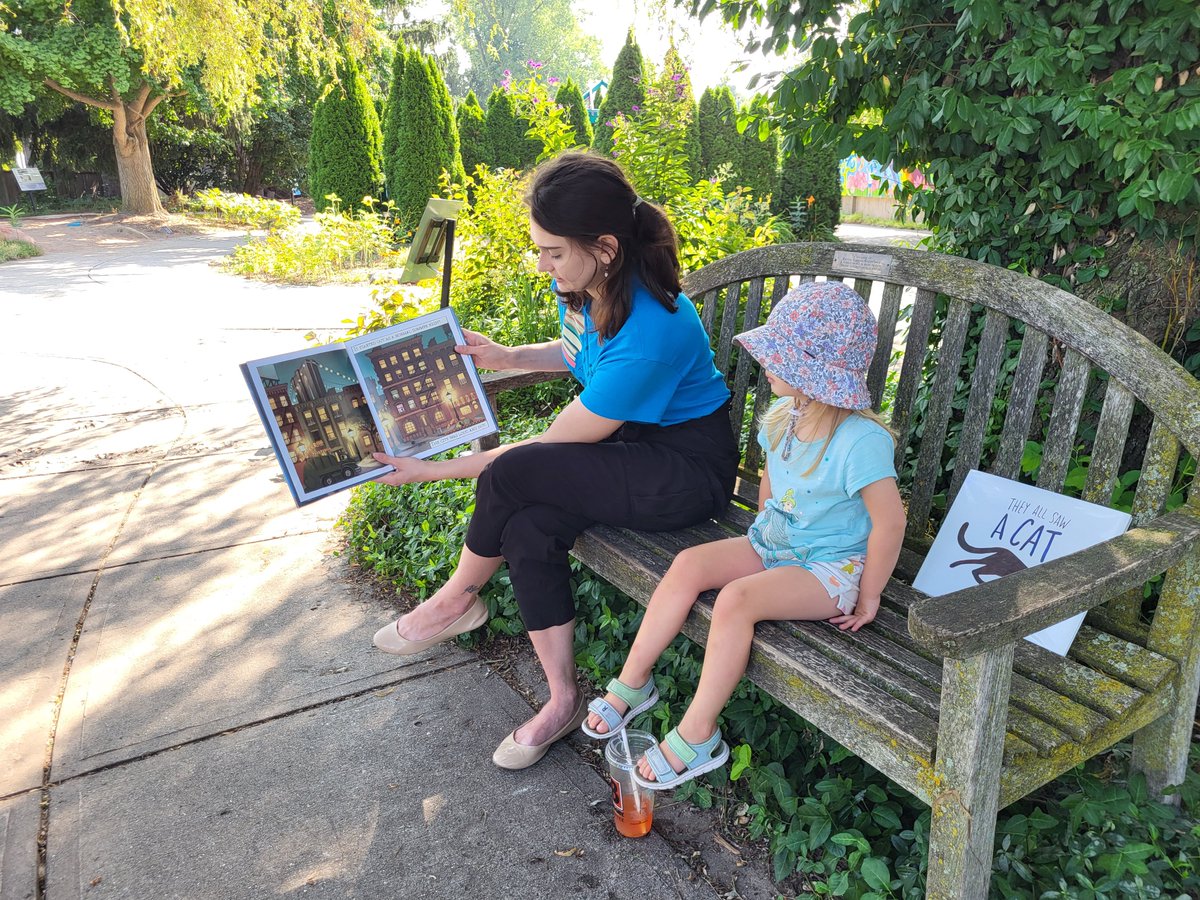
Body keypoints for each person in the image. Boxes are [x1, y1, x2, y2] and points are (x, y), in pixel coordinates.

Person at [369, 151, 739, 770]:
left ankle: (458, 597)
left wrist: (431, 469)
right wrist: (508, 356)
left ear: (606, 246)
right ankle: (562, 699)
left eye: (553, 252)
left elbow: (546, 450)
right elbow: (575, 354)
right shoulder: (584, 282)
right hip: (630, 447)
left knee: (515, 473)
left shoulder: (653, 330)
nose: (541, 264)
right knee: (527, 524)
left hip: (683, 472)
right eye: (538, 249)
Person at [582, 281, 907, 791]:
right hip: (778, 544)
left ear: (810, 373)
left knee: (736, 600)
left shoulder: (859, 440)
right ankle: (633, 682)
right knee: (689, 563)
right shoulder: (784, 416)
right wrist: (760, 536)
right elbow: (773, 484)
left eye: (778, 358)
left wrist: (868, 595)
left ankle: (699, 732)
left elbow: (890, 522)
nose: (766, 365)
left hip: (831, 568)